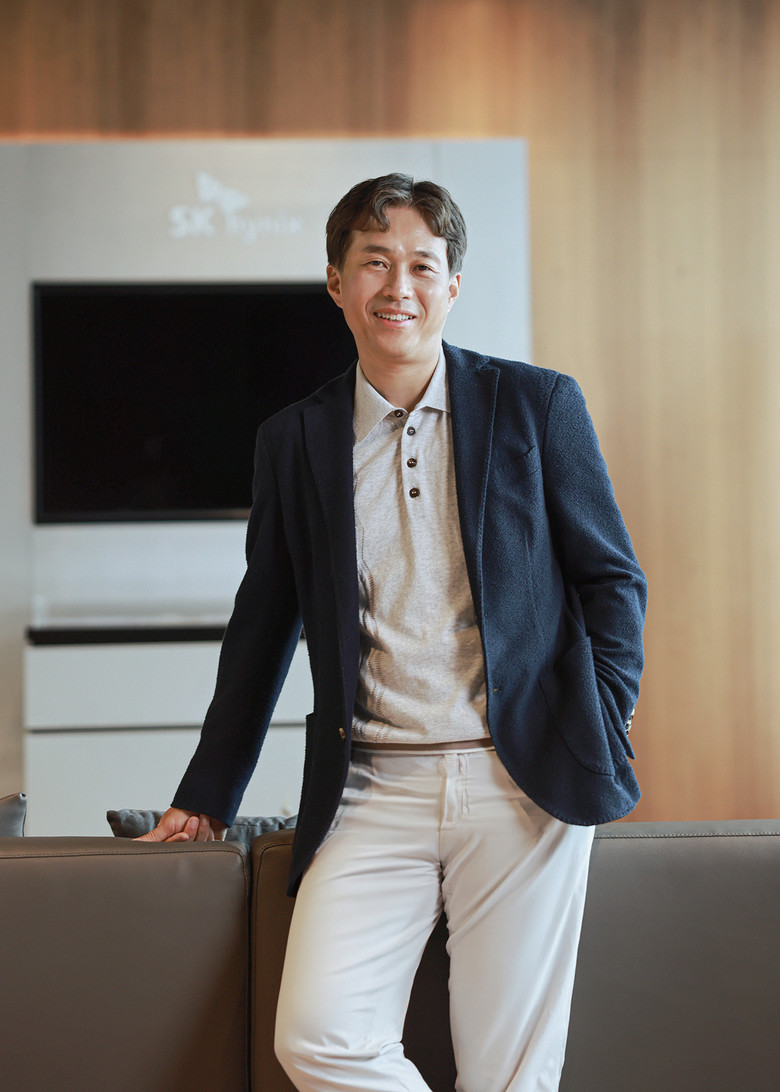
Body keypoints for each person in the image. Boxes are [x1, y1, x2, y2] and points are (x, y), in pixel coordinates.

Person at [140, 173, 647, 1091]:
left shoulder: (538, 405)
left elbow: (612, 579)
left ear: (452, 284)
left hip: (522, 778)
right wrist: (208, 791)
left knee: (512, 1074)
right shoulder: (293, 440)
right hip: (371, 786)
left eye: (421, 264)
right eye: (374, 262)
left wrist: (600, 718)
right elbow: (265, 621)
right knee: (318, 1039)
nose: (398, 286)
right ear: (337, 283)